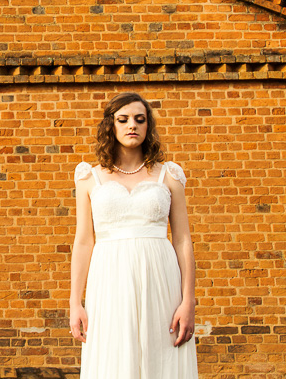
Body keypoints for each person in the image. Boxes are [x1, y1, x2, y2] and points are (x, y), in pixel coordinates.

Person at [69, 93, 198, 378]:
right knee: (113, 358)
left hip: (160, 280)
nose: (132, 125)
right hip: (109, 281)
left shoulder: (169, 175)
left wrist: (188, 301)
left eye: (140, 119)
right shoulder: (89, 178)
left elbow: (182, 240)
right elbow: (83, 241)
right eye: (123, 119)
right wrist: (75, 302)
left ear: (148, 126)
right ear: (110, 126)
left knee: (161, 355)